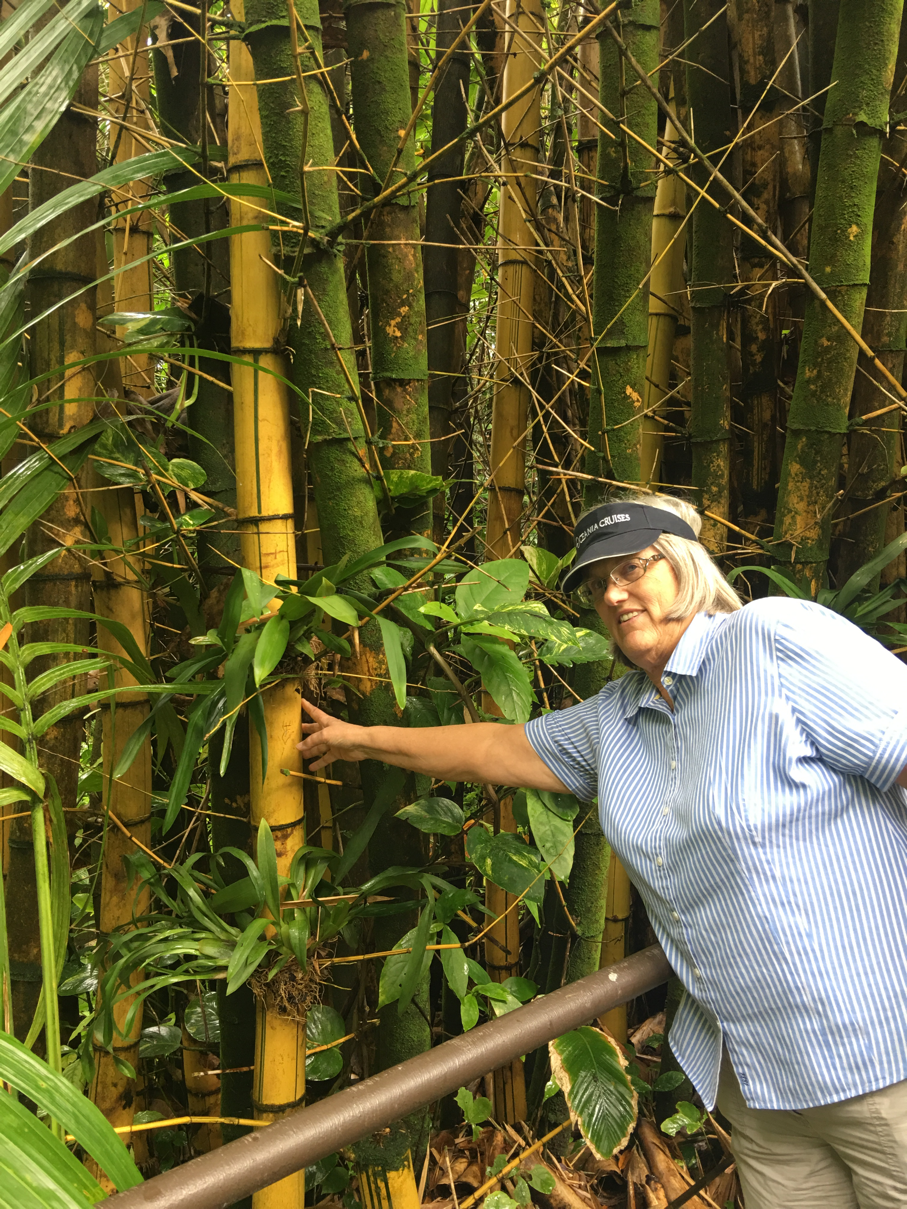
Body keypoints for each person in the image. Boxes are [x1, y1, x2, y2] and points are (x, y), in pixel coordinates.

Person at [298, 492, 907, 1209]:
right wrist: (357, 738)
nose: (613, 594)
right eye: (596, 584)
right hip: (756, 1079)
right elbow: (492, 748)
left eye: (632, 568)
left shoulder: (770, 640)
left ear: (685, 562)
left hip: (879, 1051)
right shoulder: (616, 719)